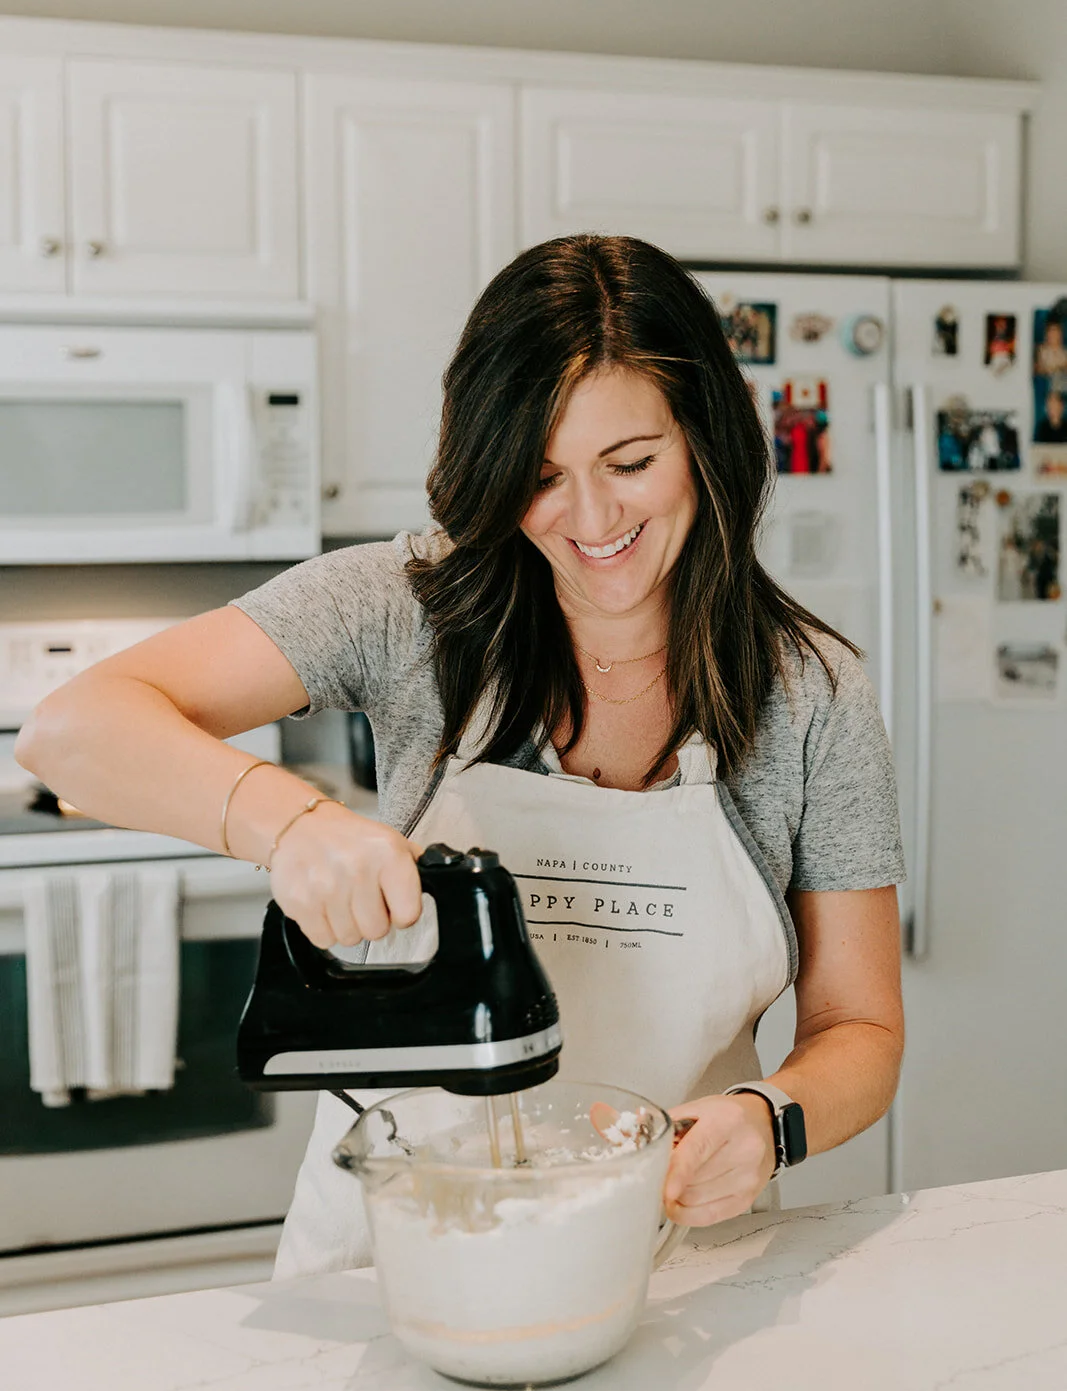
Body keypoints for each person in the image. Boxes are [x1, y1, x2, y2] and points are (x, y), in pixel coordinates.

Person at [16, 234, 906, 1279]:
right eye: (541, 476)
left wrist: (770, 1119)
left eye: (630, 463)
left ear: (706, 436)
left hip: (674, 1267)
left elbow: (858, 1025)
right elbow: (69, 731)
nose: (591, 518)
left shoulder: (810, 693)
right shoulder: (405, 611)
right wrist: (289, 823)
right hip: (396, 1262)